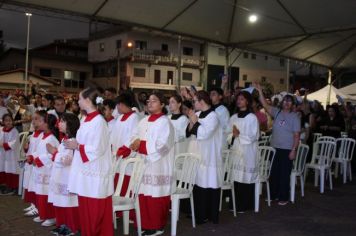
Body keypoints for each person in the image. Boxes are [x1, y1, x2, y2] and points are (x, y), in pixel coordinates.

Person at [65, 87, 114, 236]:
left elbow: (98, 148)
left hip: (95, 171)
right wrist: (74, 143)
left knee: (94, 209)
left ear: (87, 101)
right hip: (86, 169)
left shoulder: (99, 121)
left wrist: (77, 146)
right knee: (86, 207)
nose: (78, 101)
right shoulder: (86, 118)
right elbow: (85, 141)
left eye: (79, 98)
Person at [129, 92, 175, 236]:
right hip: (143, 164)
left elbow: (163, 146)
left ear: (162, 104)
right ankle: (144, 223)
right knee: (143, 194)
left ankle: (157, 226)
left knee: (156, 195)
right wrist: (134, 142)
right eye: (148, 101)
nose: (149, 103)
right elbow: (134, 136)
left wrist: (141, 145)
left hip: (158, 165)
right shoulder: (143, 120)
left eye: (154, 101)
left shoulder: (165, 122)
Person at [254, 82, 300, 206]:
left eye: (290, 101)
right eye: (285, 101)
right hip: (275, 148)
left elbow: (296, 136)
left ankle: (283, 197)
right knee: (274, 173)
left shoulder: (295, 117)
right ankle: (273, 195)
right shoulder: (277, 112)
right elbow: (264, 104)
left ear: (293, 104)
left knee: (284, 174)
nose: (287, 103)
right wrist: (260, 91)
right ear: (282, 102)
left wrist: (294, 150)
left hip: (287, 149)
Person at [186, 90, 222, 224]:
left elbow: (205, 134)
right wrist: (191, 122)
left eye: (194, 101)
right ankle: (198, 213)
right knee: (198, 184)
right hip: (198, 154)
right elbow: (189, 132)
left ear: (201, 102)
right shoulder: (198, 114)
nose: (193, 103)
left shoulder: (213, 116)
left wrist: (195, 122)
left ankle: (208, 215)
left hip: (209, 156)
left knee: (208, 184)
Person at [47, 113, 81, 236]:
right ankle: (62, 224)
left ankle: (72, 227)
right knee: (60, 201)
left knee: (69, 203)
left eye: (62, 121)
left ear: (70, 125)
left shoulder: (72, 141)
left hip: (67, 177)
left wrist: (54, 153)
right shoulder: (64, 140)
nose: (58, 123)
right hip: (60, 176)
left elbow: (67, 160)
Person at [227, 91, 259, 212]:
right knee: (235, 177)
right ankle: (234, 204)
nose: (239, 101)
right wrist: (233, 136)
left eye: (242, 99)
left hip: (248, 151)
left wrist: (239, 134)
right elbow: (228, 134)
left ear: (247, 101)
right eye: (238, 99)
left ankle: (244, 205)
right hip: (236, 149)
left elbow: (254, 136)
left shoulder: (252, 117)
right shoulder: (233, 117)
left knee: (245, 177)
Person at [31, 111, 60, 226]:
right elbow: (38, 151)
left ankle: (51, 216)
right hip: (41, 170)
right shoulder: (43, 136)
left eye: (41, 121)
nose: (38, 123)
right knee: (41, 193)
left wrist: (38, 160)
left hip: (47, 172)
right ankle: (43, 214)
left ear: (47, 124)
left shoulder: (52, 139)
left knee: (47, 194)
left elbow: (52, 155)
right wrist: (31, 157)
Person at [111, 92, 140, 192]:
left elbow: (134, 137)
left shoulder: (134, 118)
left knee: (124, 188)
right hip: (116, 157)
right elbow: (113, 136)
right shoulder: (119, 118)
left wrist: (123, 150)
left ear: (121, 104)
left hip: (126, 159)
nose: (116, 108)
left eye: (117, 105)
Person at [23, 122, 42, 217]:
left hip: (35, 162)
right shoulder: (33, 134)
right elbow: (30, 149)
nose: (34, 124)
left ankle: (37, 207)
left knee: (35, 185)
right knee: (30, 185)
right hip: (30, 162)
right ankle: (33, 204)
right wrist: (26, 149)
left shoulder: (42, 136)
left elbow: (39, 151)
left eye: (36, 121)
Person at [0, 114, 20, 195]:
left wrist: (2, 145)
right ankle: (4, 186)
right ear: (3, 122)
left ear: (12, 121)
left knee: (10, 169)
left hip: (11, 155)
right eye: (6, 120)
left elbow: (13, 144)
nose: (8, 122)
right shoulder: (1, 130)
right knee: (2, 168)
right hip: (1, 154)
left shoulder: (14, 131)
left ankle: (12, 187)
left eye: (10, 120)